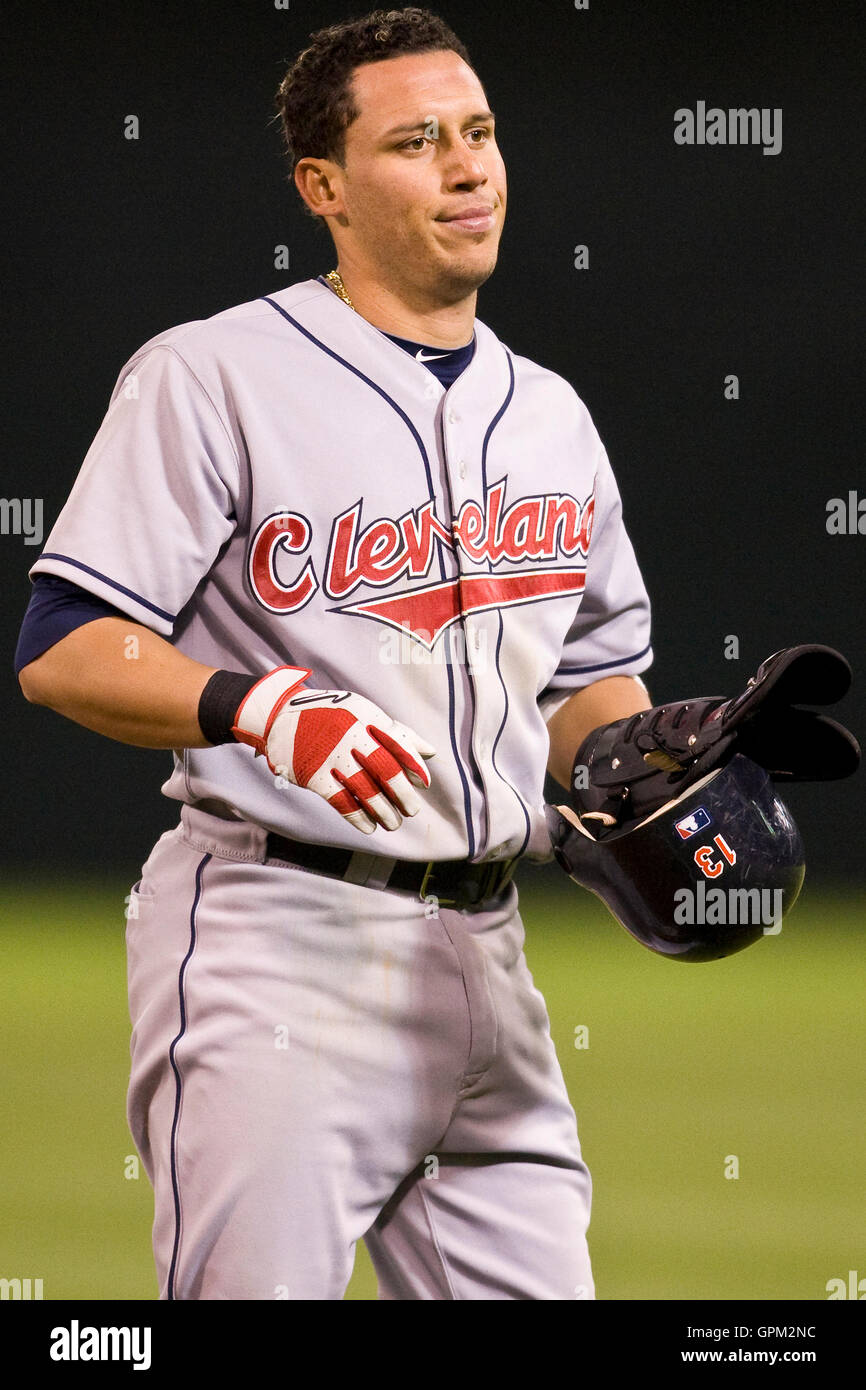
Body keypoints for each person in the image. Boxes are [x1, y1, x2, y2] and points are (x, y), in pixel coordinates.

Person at [16, 7, 654, 1300]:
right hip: (278, 939)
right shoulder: (212, 376)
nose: (467, 168)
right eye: (416, 142)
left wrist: (648, 772)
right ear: (323, 187)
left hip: (490, 953)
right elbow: (64, 644)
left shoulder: (550, 415)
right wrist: (254, 707)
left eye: (477, 134)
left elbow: (589, 679)